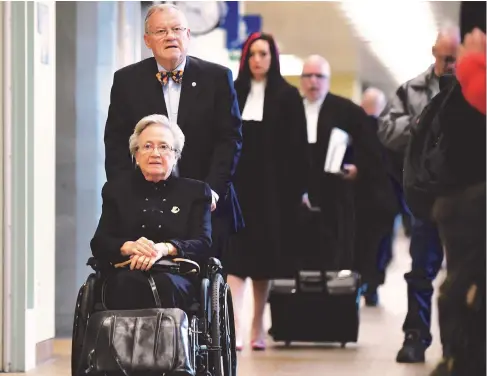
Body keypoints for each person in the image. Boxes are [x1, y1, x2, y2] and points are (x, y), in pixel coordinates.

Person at [103, 4, 243, 261]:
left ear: (188, 35)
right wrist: (122, 194)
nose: (170, 36)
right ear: (147, 40)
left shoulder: (218, 78)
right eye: (161, 31)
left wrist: (211, 189)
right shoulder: (127, 81)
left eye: (177, 29)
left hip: (205, 202)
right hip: (146, 201)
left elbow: (229, 139)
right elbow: (115, 142)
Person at [378, 28, 460, 363]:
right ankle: (416, 336)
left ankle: (459, 342)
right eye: (445, 57)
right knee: (421, 270)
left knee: (462, 274)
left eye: (455, 58)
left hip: (465, 196)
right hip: (425, 194)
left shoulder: (476, 89)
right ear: (433, 52)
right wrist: (420, 125)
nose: (450, 64)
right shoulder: (412, 89)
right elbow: (385, 129)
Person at [223, 32, 308, 351]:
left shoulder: (287, 96)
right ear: (246, 58)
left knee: (263, 262)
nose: (258, 60)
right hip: (238, 188)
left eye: (264, 54)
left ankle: (258, 325)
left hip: (273, 192)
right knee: (235, 259)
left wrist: (298, 190)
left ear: (273, 59)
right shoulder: (234, 91)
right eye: (253, 54)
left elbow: (299, 149)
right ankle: (234, 325)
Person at [91, 114, 212, 312]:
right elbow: (100, 242)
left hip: (177, 274)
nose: (155, 153)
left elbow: (203, 242)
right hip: (126, 271)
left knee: (163, 285)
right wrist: (130, 247)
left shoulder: (196, 192)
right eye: (147, 146)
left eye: (163, 147)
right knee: (125, 285)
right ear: (136, 155)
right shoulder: (116, 191)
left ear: (175, 155)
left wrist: (164, 249)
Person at [299, 55, 388, 287]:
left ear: (328, 80)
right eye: (308, 76)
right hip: (299, 200)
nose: (313, 82)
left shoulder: (347, 111)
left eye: (319, 76)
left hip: (336, 200)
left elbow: (370, 150)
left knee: (335, 260)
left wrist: (358, 168)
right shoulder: (291, 110)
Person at [430, 17, 486, 376]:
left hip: (468, 203)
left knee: (461, 289)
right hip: (464, 203)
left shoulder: (467, 83)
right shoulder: (450, 95)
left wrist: (475, 62)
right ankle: (460, 358)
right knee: (460, 289)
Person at [359, 87, 400, 306]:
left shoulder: (355, 130)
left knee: (365, 244)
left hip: (364, 200)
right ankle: (372, 285)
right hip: (384, 202)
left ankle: (366, 283)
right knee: (380, 248)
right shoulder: (390, 131)